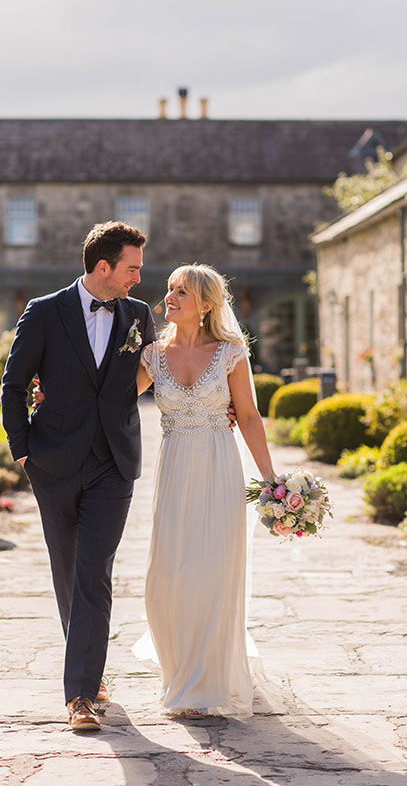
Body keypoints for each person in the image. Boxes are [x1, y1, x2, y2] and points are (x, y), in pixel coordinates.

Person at [1, 222, 157, 731]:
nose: (139, 277)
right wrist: (23, 451)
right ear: (103, 266)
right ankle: (89, 669)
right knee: (68, 572)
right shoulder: (44, 312)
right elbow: (14, 384)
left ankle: (81, 695)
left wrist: (221, 407)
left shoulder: (139, 315)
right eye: (131, 267)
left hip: (115, 462)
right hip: (54, 462)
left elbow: (159, 375)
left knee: (94, 571)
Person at [135, 264, 275, 718]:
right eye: (170, 289)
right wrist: (50, 398)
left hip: (219, 468)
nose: (170, 297)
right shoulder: (152, 355)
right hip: (174, 472)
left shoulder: (231, 352)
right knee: (167, 578)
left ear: (207, 304)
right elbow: (110, 401)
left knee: (212, 571)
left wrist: (272, 482)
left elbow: (249, 417)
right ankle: (178, 673)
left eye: (182, 292)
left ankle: (205, 684)